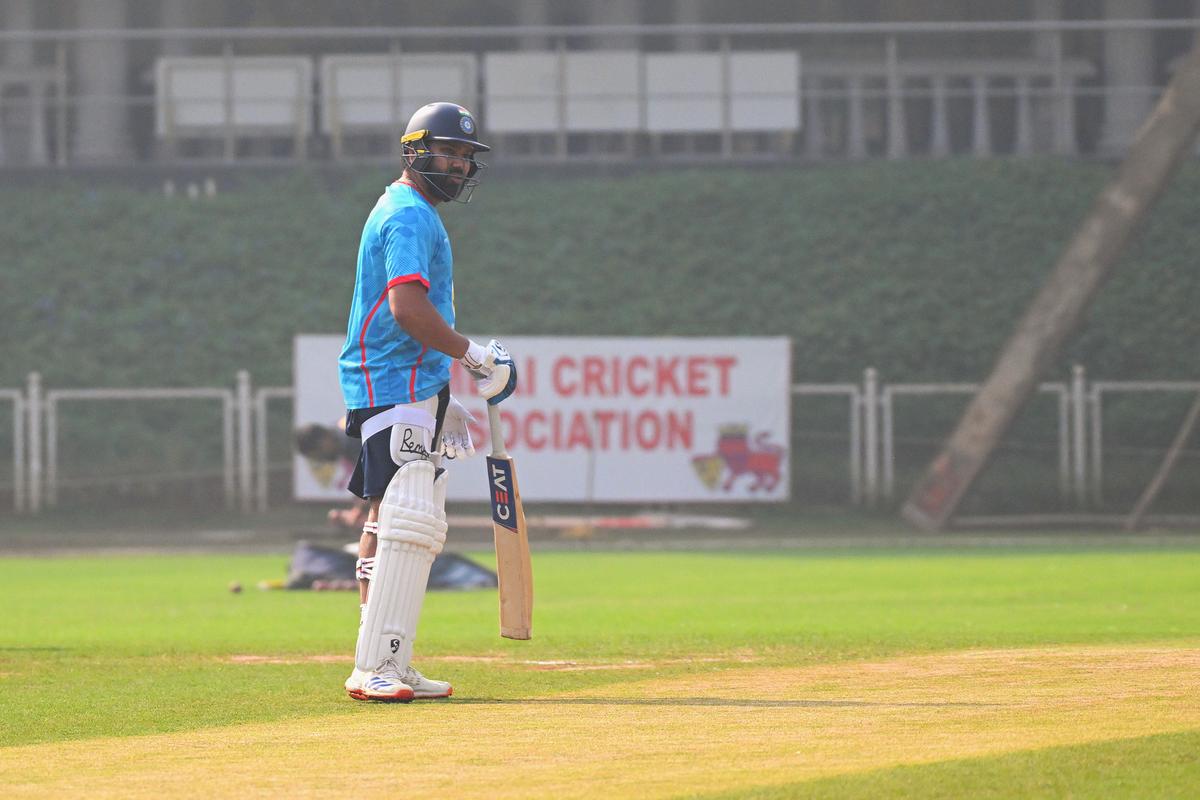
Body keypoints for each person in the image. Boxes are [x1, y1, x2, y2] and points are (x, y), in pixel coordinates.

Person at [337, 102, 516, 702]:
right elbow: (406, 311)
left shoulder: (413, 212)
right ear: (416, 152)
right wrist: (473, 358)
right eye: (450, 153)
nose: (461, 166)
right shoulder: (408, 214)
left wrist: (444, 396)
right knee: (405, 522)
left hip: (411, 388)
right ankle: (374, 667)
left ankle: (392, 658)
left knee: (413, 523)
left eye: (467, 156)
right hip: (390, 386)